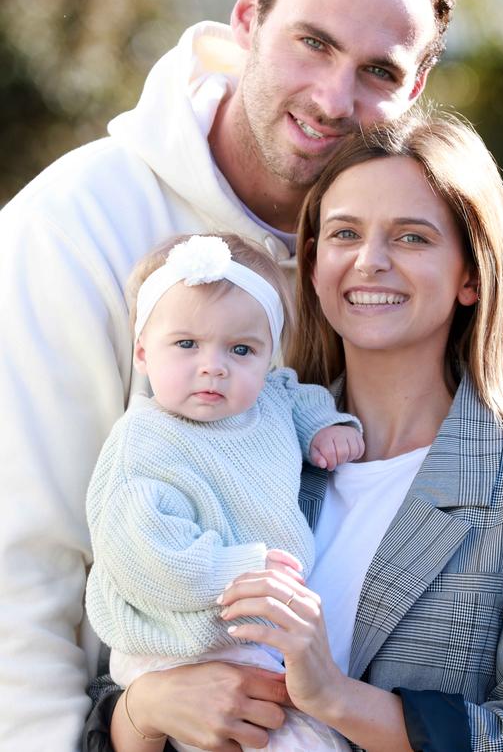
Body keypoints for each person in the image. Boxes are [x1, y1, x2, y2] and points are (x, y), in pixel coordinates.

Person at [0, 0, 456, 747]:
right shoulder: (72, 228)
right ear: (248, 15)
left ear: (416, 86)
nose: (331, 97)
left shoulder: (394, 261)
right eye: (313, 42)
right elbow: (22, 565)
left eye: (378, 70)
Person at [92, 112, 503, 751]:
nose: (370, 261)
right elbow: (141, 644)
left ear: (471, 274)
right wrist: (145, 708)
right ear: (312, 264)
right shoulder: (235, 435)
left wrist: (334, 695)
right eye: (344, 233)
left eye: (411, 237)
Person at [86, 232, 361, 752]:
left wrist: (326, 427)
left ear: (267, 355)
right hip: (179, 642)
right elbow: (144, 556)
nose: (213, 365)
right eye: (186, 344)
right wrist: (238, 570)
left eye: (241, 349)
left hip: (252, 633)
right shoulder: (143, 444)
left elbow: (298, 398)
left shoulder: (270, 400)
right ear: (144, 350)